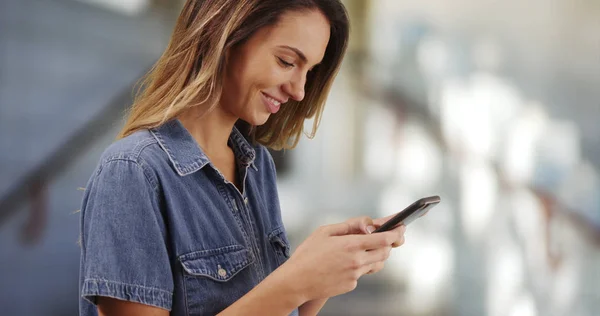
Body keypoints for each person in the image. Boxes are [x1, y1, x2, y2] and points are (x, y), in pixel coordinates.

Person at [78, 0, 406, 315]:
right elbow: (281, 295)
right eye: (287, 62)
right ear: (225, 34)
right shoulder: (133, 173)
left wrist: (320, 272)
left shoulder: (256, 166)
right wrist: (296, 282)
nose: (299, 91)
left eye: (309, 71)